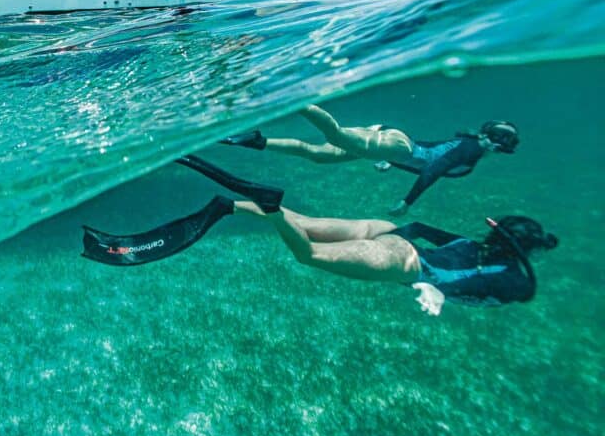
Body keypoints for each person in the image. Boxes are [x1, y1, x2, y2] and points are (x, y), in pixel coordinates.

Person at [82, 155, 556, 314]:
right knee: (305, 252)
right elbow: (473, 283)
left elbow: (440, 235)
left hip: (397, 236)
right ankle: (265, 202)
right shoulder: (520, 282)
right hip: (405, 263)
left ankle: (227, 204)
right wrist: (433, 288)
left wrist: (403, 227)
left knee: (301, 222)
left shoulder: (489, 252)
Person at [221, 105, 519, 216]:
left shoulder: (469, 145)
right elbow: (433, 168)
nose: (496, 150)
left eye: (500, 147)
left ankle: (257, 141)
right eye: (497, 144)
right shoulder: (471, 152)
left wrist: (391, 161)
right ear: (488, 138)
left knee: (318, 156)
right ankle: (292, 99)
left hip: (397, 146)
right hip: (398, 147)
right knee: (335, 135)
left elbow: (431, 150)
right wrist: (407, 203)